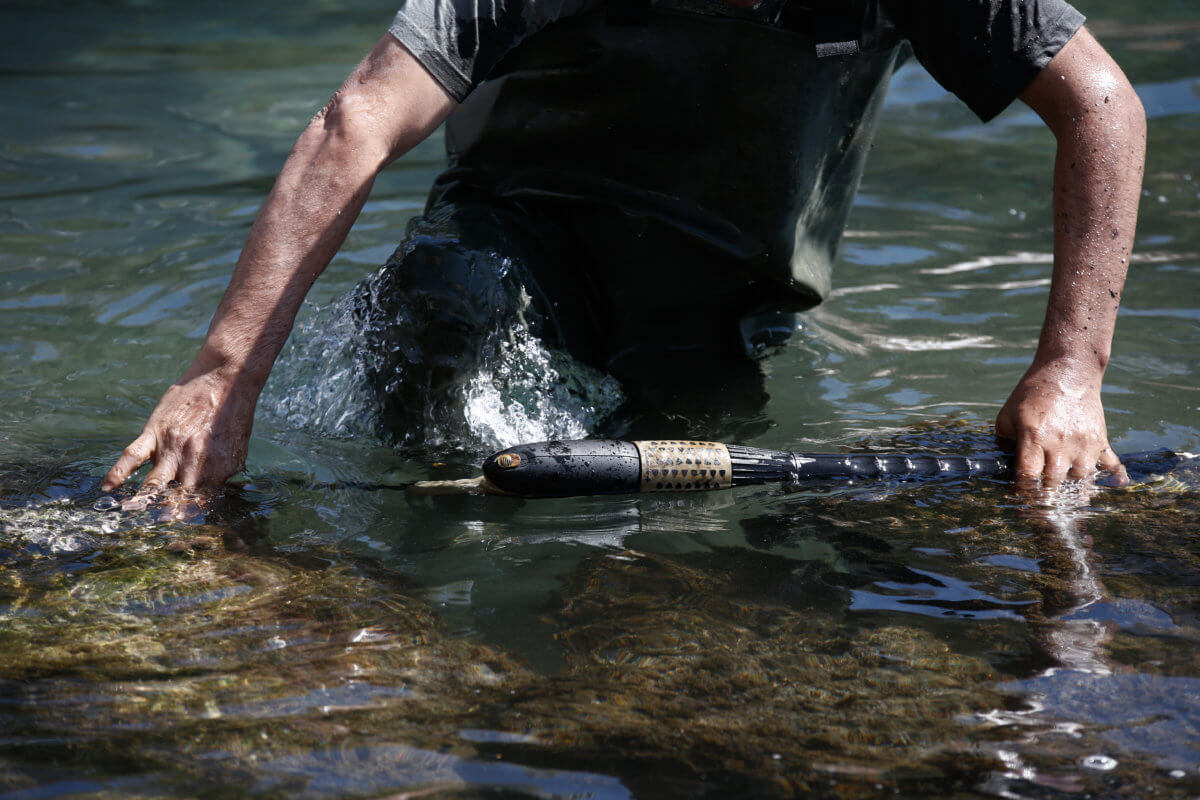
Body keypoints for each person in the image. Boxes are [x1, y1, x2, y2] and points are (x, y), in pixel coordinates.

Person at [101, 0, 1146, 494]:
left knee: (693, 532)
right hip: (518, 238)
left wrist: (1069, 370)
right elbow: (356, 123)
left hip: (727, 292)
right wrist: (221, 381)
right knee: (445, 303)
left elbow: (1102, 104)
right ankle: (414, 570)